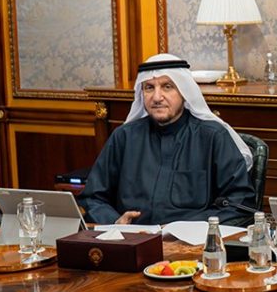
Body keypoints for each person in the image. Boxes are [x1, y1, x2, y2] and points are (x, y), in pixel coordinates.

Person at [79, 54, 256, 226]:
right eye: (149, 88)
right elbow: (92, 197)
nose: (157, 97)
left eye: (167, 87)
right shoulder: (124, 137)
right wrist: (115, 221)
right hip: (131, 238)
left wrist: (186, 226)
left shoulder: (213, 137)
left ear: (184, 92)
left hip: (192, 241)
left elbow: (240, 203)